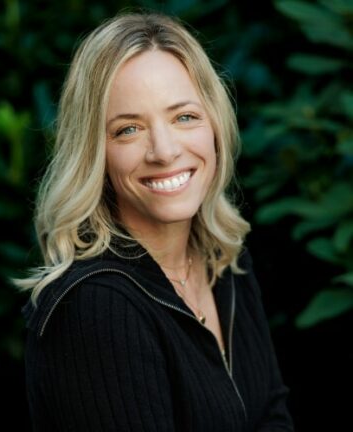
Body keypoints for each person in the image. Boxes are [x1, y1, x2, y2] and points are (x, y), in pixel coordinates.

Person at [19, 12, 294, 432]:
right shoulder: (95, 308)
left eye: (184, 117)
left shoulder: (224, 258)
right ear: (95, 152)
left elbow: (271, 414)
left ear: (214, 124)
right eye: (128, 129)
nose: (164, 151)